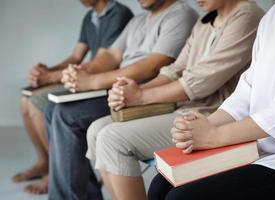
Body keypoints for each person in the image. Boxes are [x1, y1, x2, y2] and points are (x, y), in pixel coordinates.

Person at [86, 0, 264, 199]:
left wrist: (140, 96)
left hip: (211, 116)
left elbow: (201, 81)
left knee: (112, 139)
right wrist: (135, 90)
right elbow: (175, 69)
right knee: (95, 130)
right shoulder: (206, 20)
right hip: (183, 108)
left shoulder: (248, 16)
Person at [45, 0, 198, 199]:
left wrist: (91, 81)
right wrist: (82, 72)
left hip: (147, 95)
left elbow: (151, 67)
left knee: (68, 115)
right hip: (118, 91)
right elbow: (110, 55)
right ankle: (84, 195)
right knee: (52, 110)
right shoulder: (138, 20)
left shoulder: (180, 15)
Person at [148, 0, 275, 199]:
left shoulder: (248, 15)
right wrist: (205, 125)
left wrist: (214, 136)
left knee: (183, 197)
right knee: (160, 186)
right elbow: (248, 87)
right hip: (256, 146)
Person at [13, 0, 133, 195]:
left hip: (103, 83)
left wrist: (51, 77)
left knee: (40, 105)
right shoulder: (90, 17)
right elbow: (75, 57)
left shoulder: (119, 14)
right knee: (25, 99)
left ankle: (57, 174)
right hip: (85, 75)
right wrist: (47, 70)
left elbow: (104, 61)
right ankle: (47, 164)